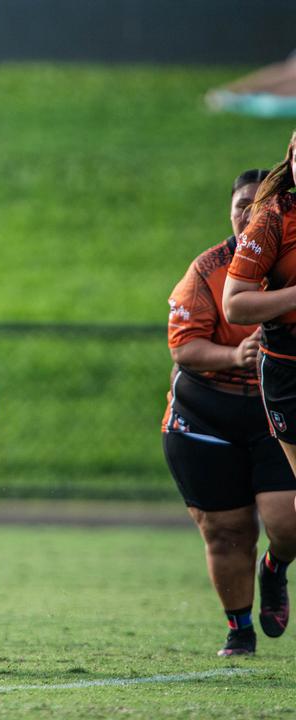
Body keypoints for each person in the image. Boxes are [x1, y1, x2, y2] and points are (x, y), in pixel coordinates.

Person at [165, 168, 296, 657]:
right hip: (207, 413)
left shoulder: (288, 256)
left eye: (259, 204)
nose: (250, 213)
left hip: (272, 412)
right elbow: (183, 347)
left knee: (287, 523)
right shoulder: (209, 269)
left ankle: (275, 566)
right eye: (242, 204)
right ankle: (239, 631)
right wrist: (234, 356)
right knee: (226, 530)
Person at [223, 129, 296, 642]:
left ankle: (275, 563)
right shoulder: (273, 218)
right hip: (289, 365)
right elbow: (236, 303)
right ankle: (273, 565)